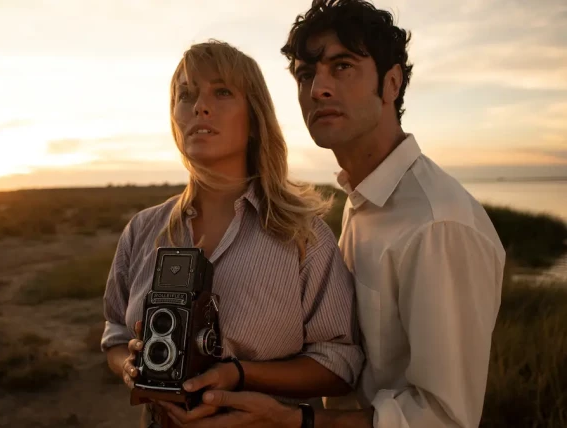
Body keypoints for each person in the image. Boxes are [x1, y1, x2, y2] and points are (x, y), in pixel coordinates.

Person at [159, 0, 507, 427]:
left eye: (341, 67)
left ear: (392, 82)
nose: (318, 89)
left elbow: (444, 418)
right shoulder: (365, 202)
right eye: (306, 75)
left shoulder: (438, 224)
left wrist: (296, 422)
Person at [100, 39, 365, 427]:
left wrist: (239, 374)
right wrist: (131, 365)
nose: (199, 106)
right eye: (185, 95)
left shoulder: (302, 236)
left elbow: (340, 365)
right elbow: (116, 334)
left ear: (255, 118)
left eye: (221, 92)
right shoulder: (143, 231)